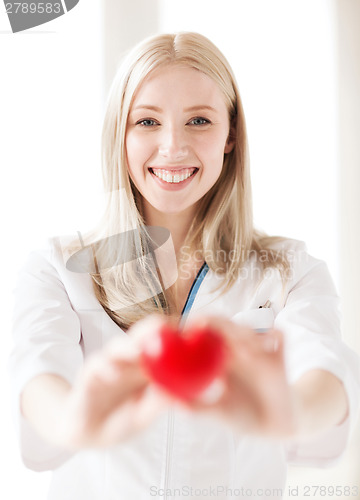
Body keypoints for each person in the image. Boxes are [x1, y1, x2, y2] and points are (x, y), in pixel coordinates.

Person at [9, 32, 360, 500]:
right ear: (121, 132)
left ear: (231, 135)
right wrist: (75, 417)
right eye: (147, 121)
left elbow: (325, 374)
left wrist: (291, 410)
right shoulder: (57, 268)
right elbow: (36, 377)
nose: (173, 146)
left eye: (198, 120)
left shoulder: (291, 270)